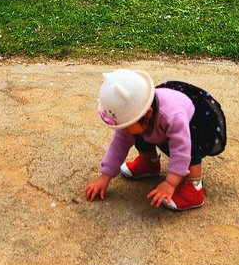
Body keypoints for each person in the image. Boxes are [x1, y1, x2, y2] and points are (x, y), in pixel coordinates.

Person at [85, 68, 227, 211]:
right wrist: (105, 177)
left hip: (198, 123)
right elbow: (119, 144)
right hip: (157, 122)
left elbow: (181, 151)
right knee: (137, 132)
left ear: (148, 113)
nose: (123, 130)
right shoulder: (140, 115)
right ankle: (149, 162)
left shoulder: (173, 117)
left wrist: (170, 183)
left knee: (189, 144)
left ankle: (194, 187)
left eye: (126, 125)